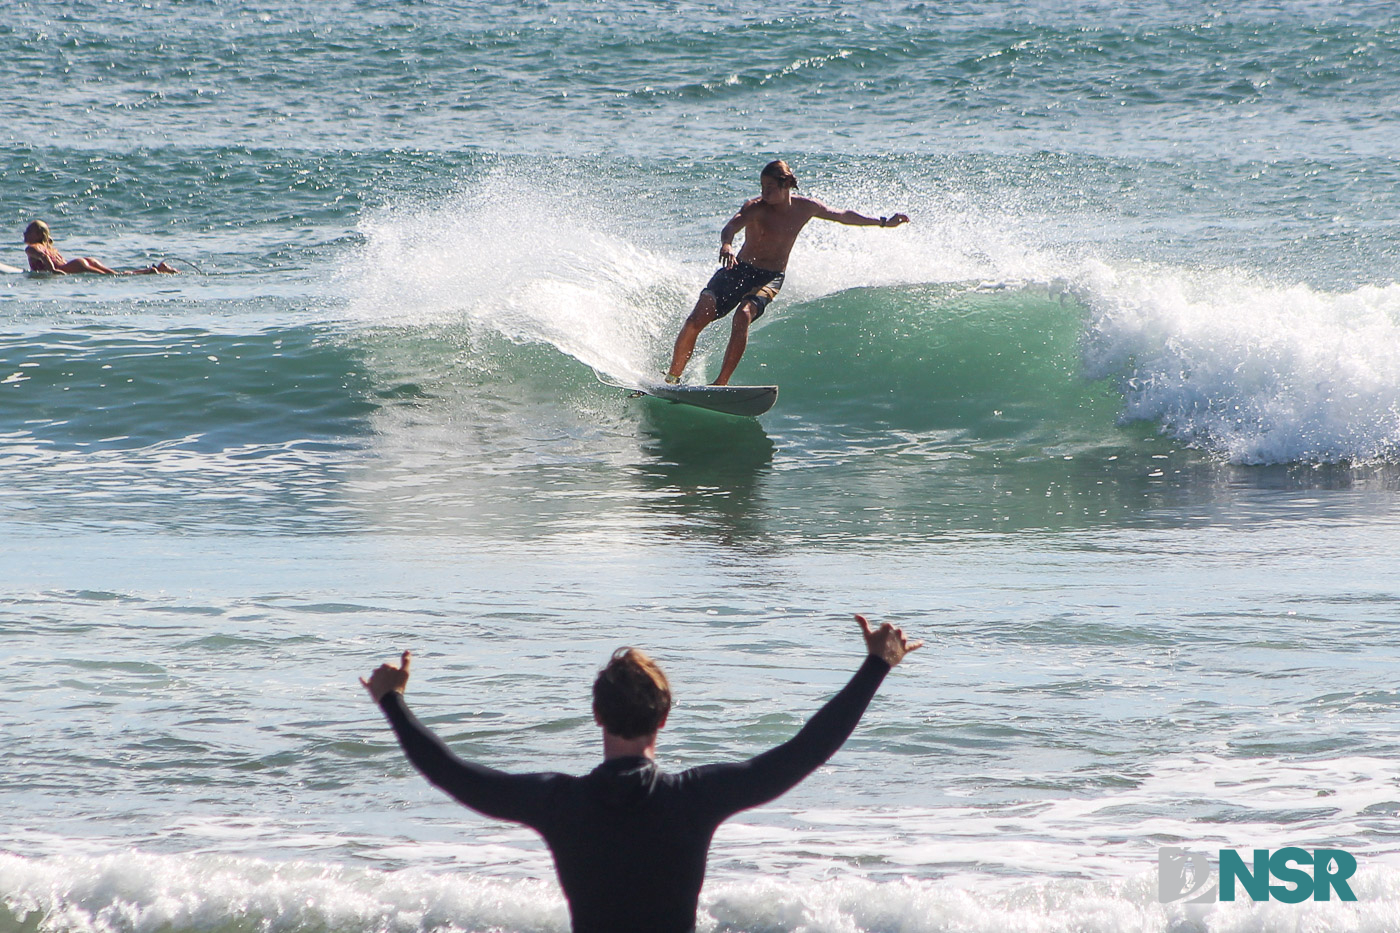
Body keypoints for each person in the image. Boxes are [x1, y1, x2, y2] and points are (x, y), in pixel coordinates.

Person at [361, 614, 922, 933]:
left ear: (597, 715)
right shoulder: (695, 798)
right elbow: (806, 751)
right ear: (666, 716)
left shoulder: (558, 803)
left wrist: (392, 701)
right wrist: (877, 665)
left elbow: (453, 774)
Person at [665, 160, 909, 386]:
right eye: (762, 186)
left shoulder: (805, 208)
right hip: (738, 269)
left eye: (769, 187)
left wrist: (883, 222)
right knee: (697, 317)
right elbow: (733, 225)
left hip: (769, 277)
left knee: (744, 315)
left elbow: (842, 215)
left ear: (785, 185)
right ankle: (672, 379)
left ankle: (720, 384)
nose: (764, 192)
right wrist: (727, 244)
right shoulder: (755, 208)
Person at [23, 220, 177, 275]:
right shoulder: (50, 247)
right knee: (116, 274)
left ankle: (152, 271)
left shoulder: (31, 248)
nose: (25, 233)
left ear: (38, 235)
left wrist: (53, 271)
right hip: (80, 262)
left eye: (29, 230)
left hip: (74, 266)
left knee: (114, 276)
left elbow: (43, 257)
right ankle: (153, 270)